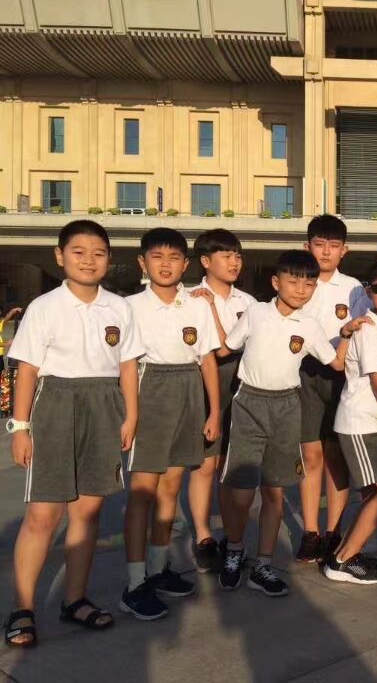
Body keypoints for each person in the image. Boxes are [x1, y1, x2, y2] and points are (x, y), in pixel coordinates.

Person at [5, 220, 142, 648]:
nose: (88, 260)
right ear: (59, 256)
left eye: (98, 253)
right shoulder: (44, 306)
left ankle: (75, 599)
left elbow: (127, 366)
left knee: (87, 512)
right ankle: (23, 609)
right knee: (43, 516)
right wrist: (20, 428)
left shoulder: (119, 308)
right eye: (78, 252)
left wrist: (130, 417)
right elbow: (27, 369)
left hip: (105, 406)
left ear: (109, 259)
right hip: (55, 405)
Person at [216, 250, 346, 597]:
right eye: (293, 281)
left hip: (287, 405)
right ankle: (233, 549)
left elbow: (335, 363)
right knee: (241, 493)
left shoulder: (310, 325)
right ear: (276, 282)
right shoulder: (256, 313)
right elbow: (226, 347)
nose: (301, 289)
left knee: (274, 492)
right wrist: (208, 307)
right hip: (249, 403)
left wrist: (348, 333)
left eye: (309, 283)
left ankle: (263, 564)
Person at [122, 228, 221, 620]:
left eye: (174, 257)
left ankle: (158, 567)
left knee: (171, 487)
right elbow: (125, 364)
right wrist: (131, 415)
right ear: (142, 262)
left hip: (189, 392)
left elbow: (207, 359)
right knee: (143, 493)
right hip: (150, 389)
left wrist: (214, 411)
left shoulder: (196, 304)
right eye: (157, 256)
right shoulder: (128, 306)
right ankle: (134, 583)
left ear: (186, 264)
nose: (166, 265)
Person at [324, 260, 377, 585]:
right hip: (362, 422)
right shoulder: (369, 328)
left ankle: (347, 552)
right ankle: (342, 560)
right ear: (369, 291)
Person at [185, 228, 257, 574]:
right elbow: (214, 349)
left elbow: (242, 345)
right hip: (205, 380)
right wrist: (210, 306)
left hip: (242, 381)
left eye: (237, 255)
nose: (234, 262)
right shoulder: (189, 299)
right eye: (226, 255)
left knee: (230, 465)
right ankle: (203, 536)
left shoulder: (248, 302)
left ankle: (232, 538)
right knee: (205, 464)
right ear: (205, 260)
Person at [298, 215, 366, 565]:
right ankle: (310, 531)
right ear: (306, 246)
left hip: (341, 376)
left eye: (333, 246)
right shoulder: (298, 282)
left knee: (336, 457)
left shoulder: (354, 289)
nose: (326, 252)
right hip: (304, 373)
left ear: (344, 251)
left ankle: (333, 531)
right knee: (310, 455)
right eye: (319, 244)